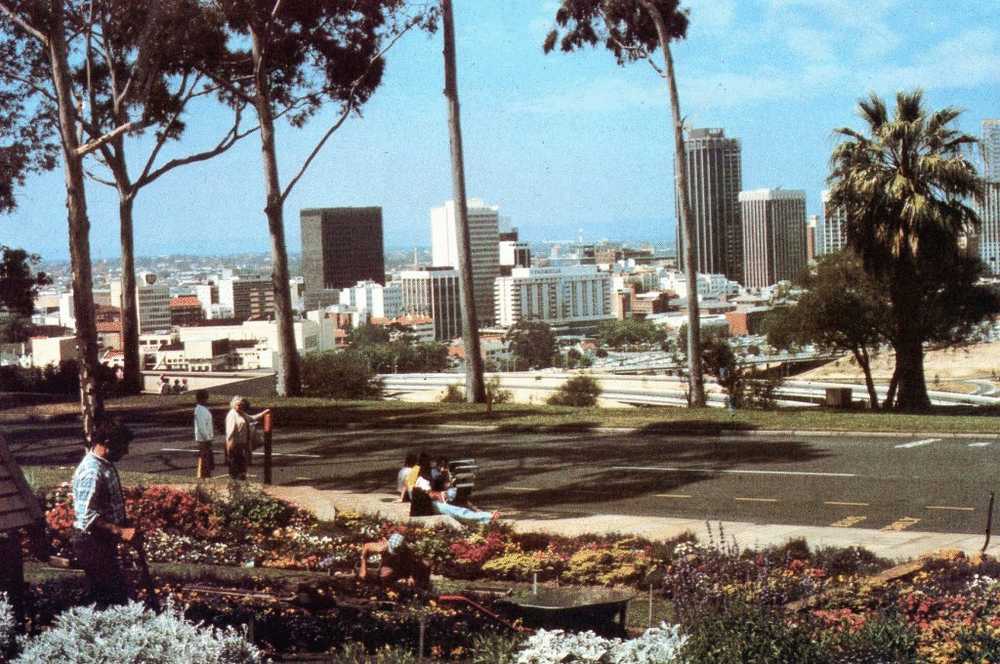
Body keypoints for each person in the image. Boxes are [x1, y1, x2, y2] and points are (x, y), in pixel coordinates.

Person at [71, 417, 139, 608]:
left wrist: (124, 524)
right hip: (90, 542)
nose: (126, 451)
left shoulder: (103, 464)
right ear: (107, 443)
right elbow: (87, 516)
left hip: (101, 541)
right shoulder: (92, 471)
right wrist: (120, 531)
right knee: (111, 600)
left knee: (112, 597)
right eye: (123, 446)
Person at [359, 533, 430, 590]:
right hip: (390, 563)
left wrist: (411, 577)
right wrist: (363, 568)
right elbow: (366, 546)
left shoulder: (407, 551)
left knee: (426, 565)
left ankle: (423, 588)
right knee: (385, 574)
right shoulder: (381, 547)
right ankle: (385, 587)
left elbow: (412, 563)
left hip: (401, 564)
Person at [224, 396, 269, 480]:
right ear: (233, 405)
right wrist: (229, 446)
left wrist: (263, 413)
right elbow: (229, 433)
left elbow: (252, 418)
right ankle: (235, 484)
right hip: (235, 445)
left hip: (242, 444)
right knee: (235, 466)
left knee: (242, 465)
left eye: (241, 405)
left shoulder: (241, 413)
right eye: (237, 405)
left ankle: (241, 483)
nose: (240, 406)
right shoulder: (232, 415)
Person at [193, 389, 215, 479]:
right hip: (203, 440)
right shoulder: (200, 410)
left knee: (206, 459)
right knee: (204, 460)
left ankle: (205, 475)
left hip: (205, 439)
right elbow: (201, 427)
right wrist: (207, 438)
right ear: (202, 398)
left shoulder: (202, 409)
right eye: (206, 398)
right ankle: (203, 477)